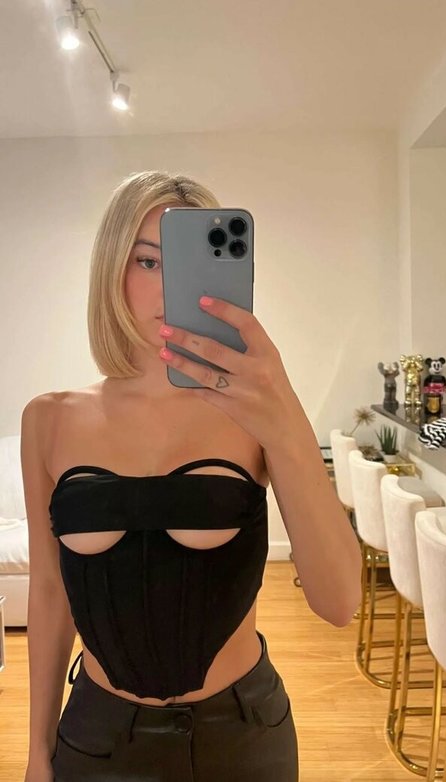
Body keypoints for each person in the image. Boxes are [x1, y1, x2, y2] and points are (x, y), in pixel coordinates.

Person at [21, 171, 302, 781]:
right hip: (97, 738)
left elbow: (338, 602)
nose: (170, 286)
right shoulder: (49, 419)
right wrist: (36, 751)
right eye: (148, 261)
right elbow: (48, 592)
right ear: (111, 268)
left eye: (188, 262)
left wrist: (283, 407)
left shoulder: (252, 414)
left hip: (243, 736)